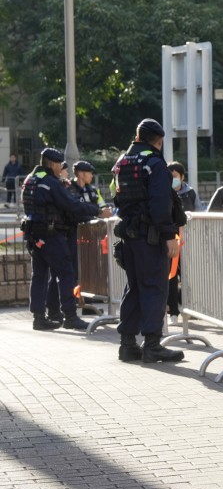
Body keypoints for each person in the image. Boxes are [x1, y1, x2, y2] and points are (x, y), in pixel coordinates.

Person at [112, 118, 187, 363]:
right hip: (150, 237)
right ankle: (152, 344)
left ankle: (127, 344)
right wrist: (169, 235)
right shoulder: (154, 164)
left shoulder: (122, 162)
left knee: (133, 287)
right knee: (155, 286)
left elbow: (118, 199)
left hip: (129, 236)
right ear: (159, 140)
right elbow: (160, 204)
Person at [21, 148, 105, 331]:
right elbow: (70, 204)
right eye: (59, 164)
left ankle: (39, 318)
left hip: (34, 235)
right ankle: (70, 316)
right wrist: (93, 210)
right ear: (52, 164)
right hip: (51, 235)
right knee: (66, 274)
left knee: (40, 275)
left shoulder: (30, 180)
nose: (61, 168)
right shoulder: (51, 182)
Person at [44, 160, 112, 323]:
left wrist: (99, 215)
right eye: (89, 173)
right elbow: (73, 212)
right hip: (70, 237)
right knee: (66, 273)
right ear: (81, 173)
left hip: (91, 239)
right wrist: (96, 215)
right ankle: (61, 309)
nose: (91, 176)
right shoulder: (68, 189)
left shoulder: (92, 190)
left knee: (89, 272)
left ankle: (85, 303)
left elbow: (101, 208)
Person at [166, 162, 200, 322]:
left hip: (189, 242)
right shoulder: (163, 193)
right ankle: (173, 311)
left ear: (182, 177)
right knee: (172, 276)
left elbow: (199, 212)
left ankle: (190, 308)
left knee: (189, 276)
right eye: (171, 176)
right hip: (172, 241)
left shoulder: (190, 193)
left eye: (175, 176)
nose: (173, 180)